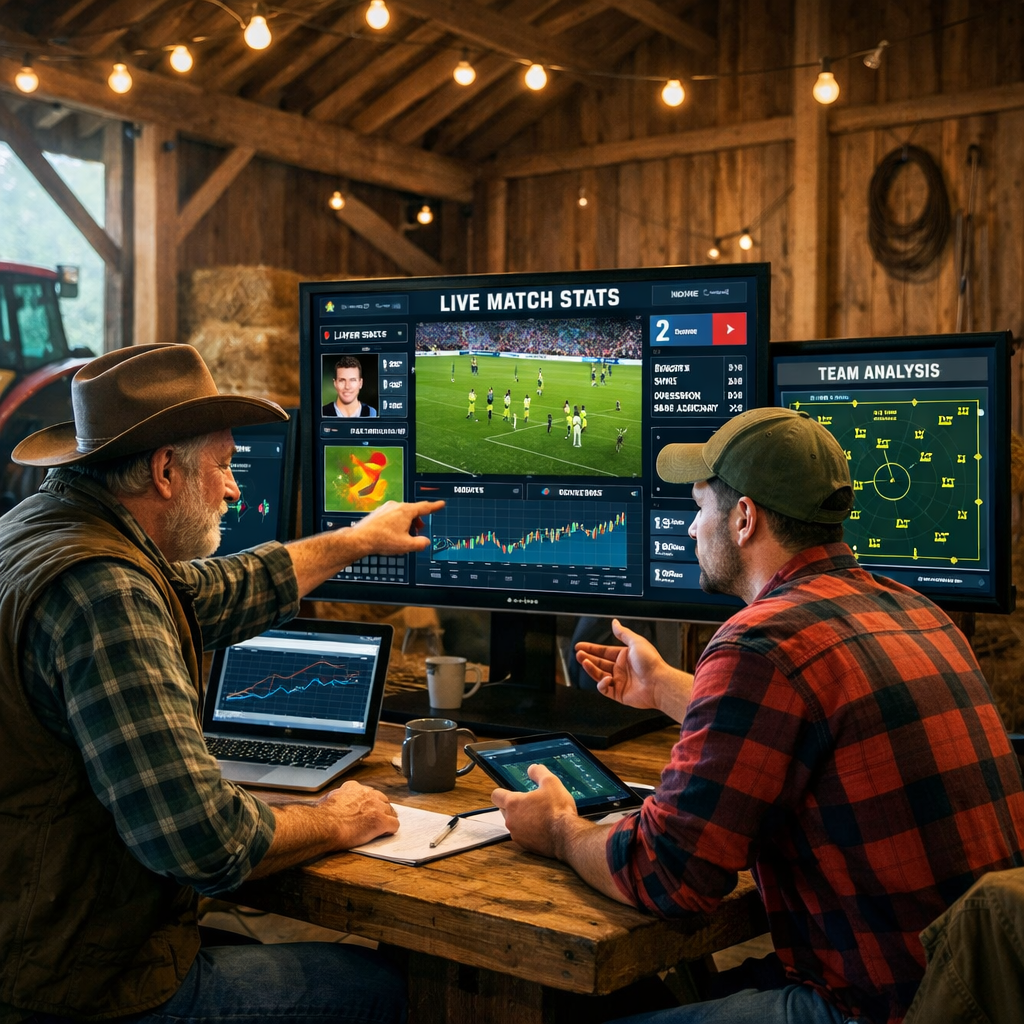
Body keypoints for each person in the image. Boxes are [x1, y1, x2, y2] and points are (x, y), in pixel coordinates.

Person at [492, 407, 1024, 1024]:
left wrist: (559, 829)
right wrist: (664, 687)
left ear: (744, 518)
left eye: (700, 509)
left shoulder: (760, 642)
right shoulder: (917, 611)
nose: (691, 530)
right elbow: (807, 729)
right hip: (976, 989)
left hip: (879, 1006)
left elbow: (668, 875)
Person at [0, 344, 446, 1024]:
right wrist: (335, 819)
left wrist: (357, 538)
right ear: (165, 471)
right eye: (225, 465)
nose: (236, 488)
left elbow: (213, 590)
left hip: (27, 946)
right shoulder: (105, 592)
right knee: (394, 991)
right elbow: (206, 843)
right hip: (77, 993)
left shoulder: (41, 532)